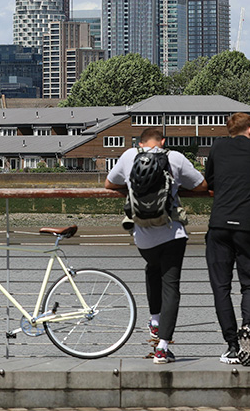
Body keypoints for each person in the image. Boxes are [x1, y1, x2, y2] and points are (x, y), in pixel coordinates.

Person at [106, 127, 207, 364]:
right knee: (171, 286)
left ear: (140, 143)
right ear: (162, 141)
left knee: (152, 268)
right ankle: (162, 348)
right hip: (172, 233)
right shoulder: (175, 157)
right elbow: (201, 186)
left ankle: (154, 320)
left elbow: (109, 184)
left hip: (143, 236)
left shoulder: (128, 156)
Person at [204, 112, 250, 366]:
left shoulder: (217, 147)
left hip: (219, 225)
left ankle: (232, 345)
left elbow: (209, 179)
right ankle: (247, 327)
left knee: (221, 287)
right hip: (249, 226)